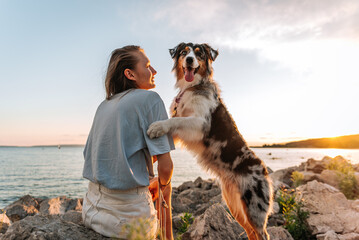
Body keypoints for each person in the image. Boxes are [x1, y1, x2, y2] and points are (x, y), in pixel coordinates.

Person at [82, 45, 175, 240]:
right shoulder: (150, 99)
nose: (154, 71)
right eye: (148, 65)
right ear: (130, 74)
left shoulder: (104, 106)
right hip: (128, 222)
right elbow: (166, 167)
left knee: (153, 182)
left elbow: (109, 157)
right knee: (165, 185)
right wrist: (161, 184)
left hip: (90, 211)